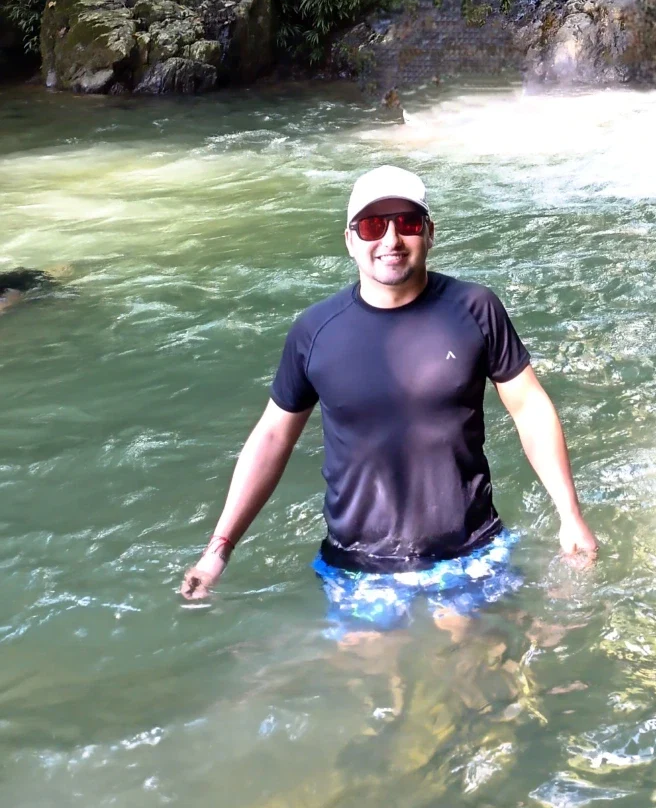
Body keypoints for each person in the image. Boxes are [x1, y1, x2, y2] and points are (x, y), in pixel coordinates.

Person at [179, 165, 596, 630]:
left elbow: (529, 407)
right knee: (370, 692)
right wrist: (218, 550)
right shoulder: (315, 331)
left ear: (430, 233)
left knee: (483, 682)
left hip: (470, 549)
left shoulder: (475, 308)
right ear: (350, 240)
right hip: (358, 564)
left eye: (408, 223)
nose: (392, 239)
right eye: (374, 225)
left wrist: (570, 514)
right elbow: (273, 436)